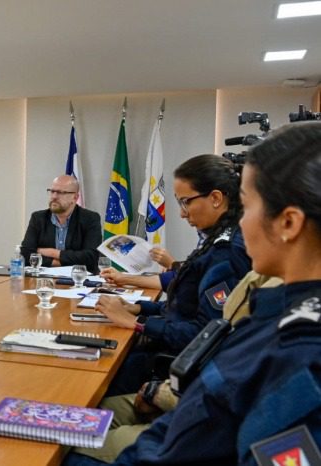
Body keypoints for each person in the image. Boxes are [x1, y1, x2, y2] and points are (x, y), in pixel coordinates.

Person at [64, 121, 321, 466]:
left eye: (247, 205)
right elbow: (201, 410)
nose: (242, 223)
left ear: (288, 222)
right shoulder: (276, 313)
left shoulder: (300, 351)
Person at [74, 271, 282, 463]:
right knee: (77, 417)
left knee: (69, 446)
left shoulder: (282, 311)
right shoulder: (266, 281)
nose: (244, 228)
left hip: (201, 426)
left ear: (289, 229)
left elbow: (230, 393)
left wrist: (159, 393)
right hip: (186, 399)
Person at [98, 154, 251, 396]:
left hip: (174, 368)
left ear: (216, 198)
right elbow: (184, 308)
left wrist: (136, 325)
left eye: (186, 202)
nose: (182, 213)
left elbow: (206, 335)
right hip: (164, 351)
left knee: (99, 382)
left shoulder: (227, 253)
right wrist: (138, 308)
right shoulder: (215, 239)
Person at [20, 175, 102, 272]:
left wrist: (54, 253)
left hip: (80, 280)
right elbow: (26, 253)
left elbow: (91, 256)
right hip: (44, 279)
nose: (54, 196)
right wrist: (58, 263)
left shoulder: (90, 219)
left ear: (75, 197)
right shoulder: (38, 218)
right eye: (52, 191)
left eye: (60, 193)